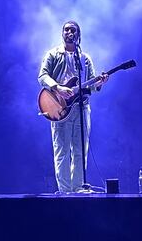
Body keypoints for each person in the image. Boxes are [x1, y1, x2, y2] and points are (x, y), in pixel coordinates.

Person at [38, 21, 108, 193]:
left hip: (81, 107)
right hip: (59, 107)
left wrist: (100, 83)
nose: (70, 32)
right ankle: (64, 190)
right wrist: (58, 88)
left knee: (80, 149)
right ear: (62, 33)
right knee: (62, 150)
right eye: (66, 29)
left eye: (73, 30)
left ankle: (78, 187)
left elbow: (91, 84)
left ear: (78, 34)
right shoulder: (53, 54)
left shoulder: (85, 58)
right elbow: (42, 76)